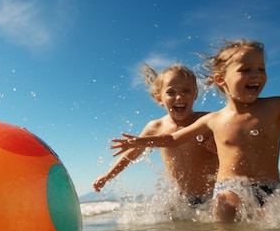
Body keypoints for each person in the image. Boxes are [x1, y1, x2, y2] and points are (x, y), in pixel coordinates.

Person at [111, 39, 280, 222]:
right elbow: (172, 139)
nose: (256, 74)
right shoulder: (214, 119)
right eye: (246, 69)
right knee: (226, 206)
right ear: (221, 79)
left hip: (272, 188)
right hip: (229, 188)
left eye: (261, 68)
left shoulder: (275, 106)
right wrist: (139, 142)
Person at [93, 64, 218, 206]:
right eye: (171, 92)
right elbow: (133, 153)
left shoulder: (205, 121)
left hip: (213, 195)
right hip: (182, 200)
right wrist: (108, 175)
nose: (179, 97)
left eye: (186, 91)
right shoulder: (155, 127)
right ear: (159, 99)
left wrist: (218, 144)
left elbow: (235, 143)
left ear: (195, 94)